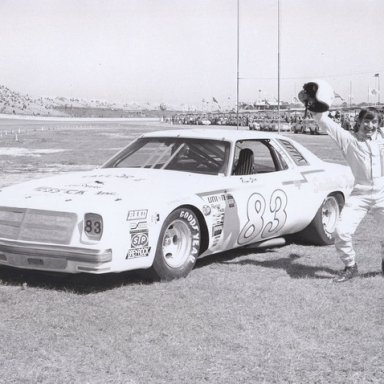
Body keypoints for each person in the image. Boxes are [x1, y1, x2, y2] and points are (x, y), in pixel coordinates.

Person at [299, 80, 384, 282]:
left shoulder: (382, 138)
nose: (370, 125)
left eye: (374, 122)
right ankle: (350, 266)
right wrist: (312, 100)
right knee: (341, 231)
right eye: (366, 121)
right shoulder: (348, 139)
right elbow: (323, 120)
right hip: (360, 195)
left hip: (382, 193)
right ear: (359, 121)